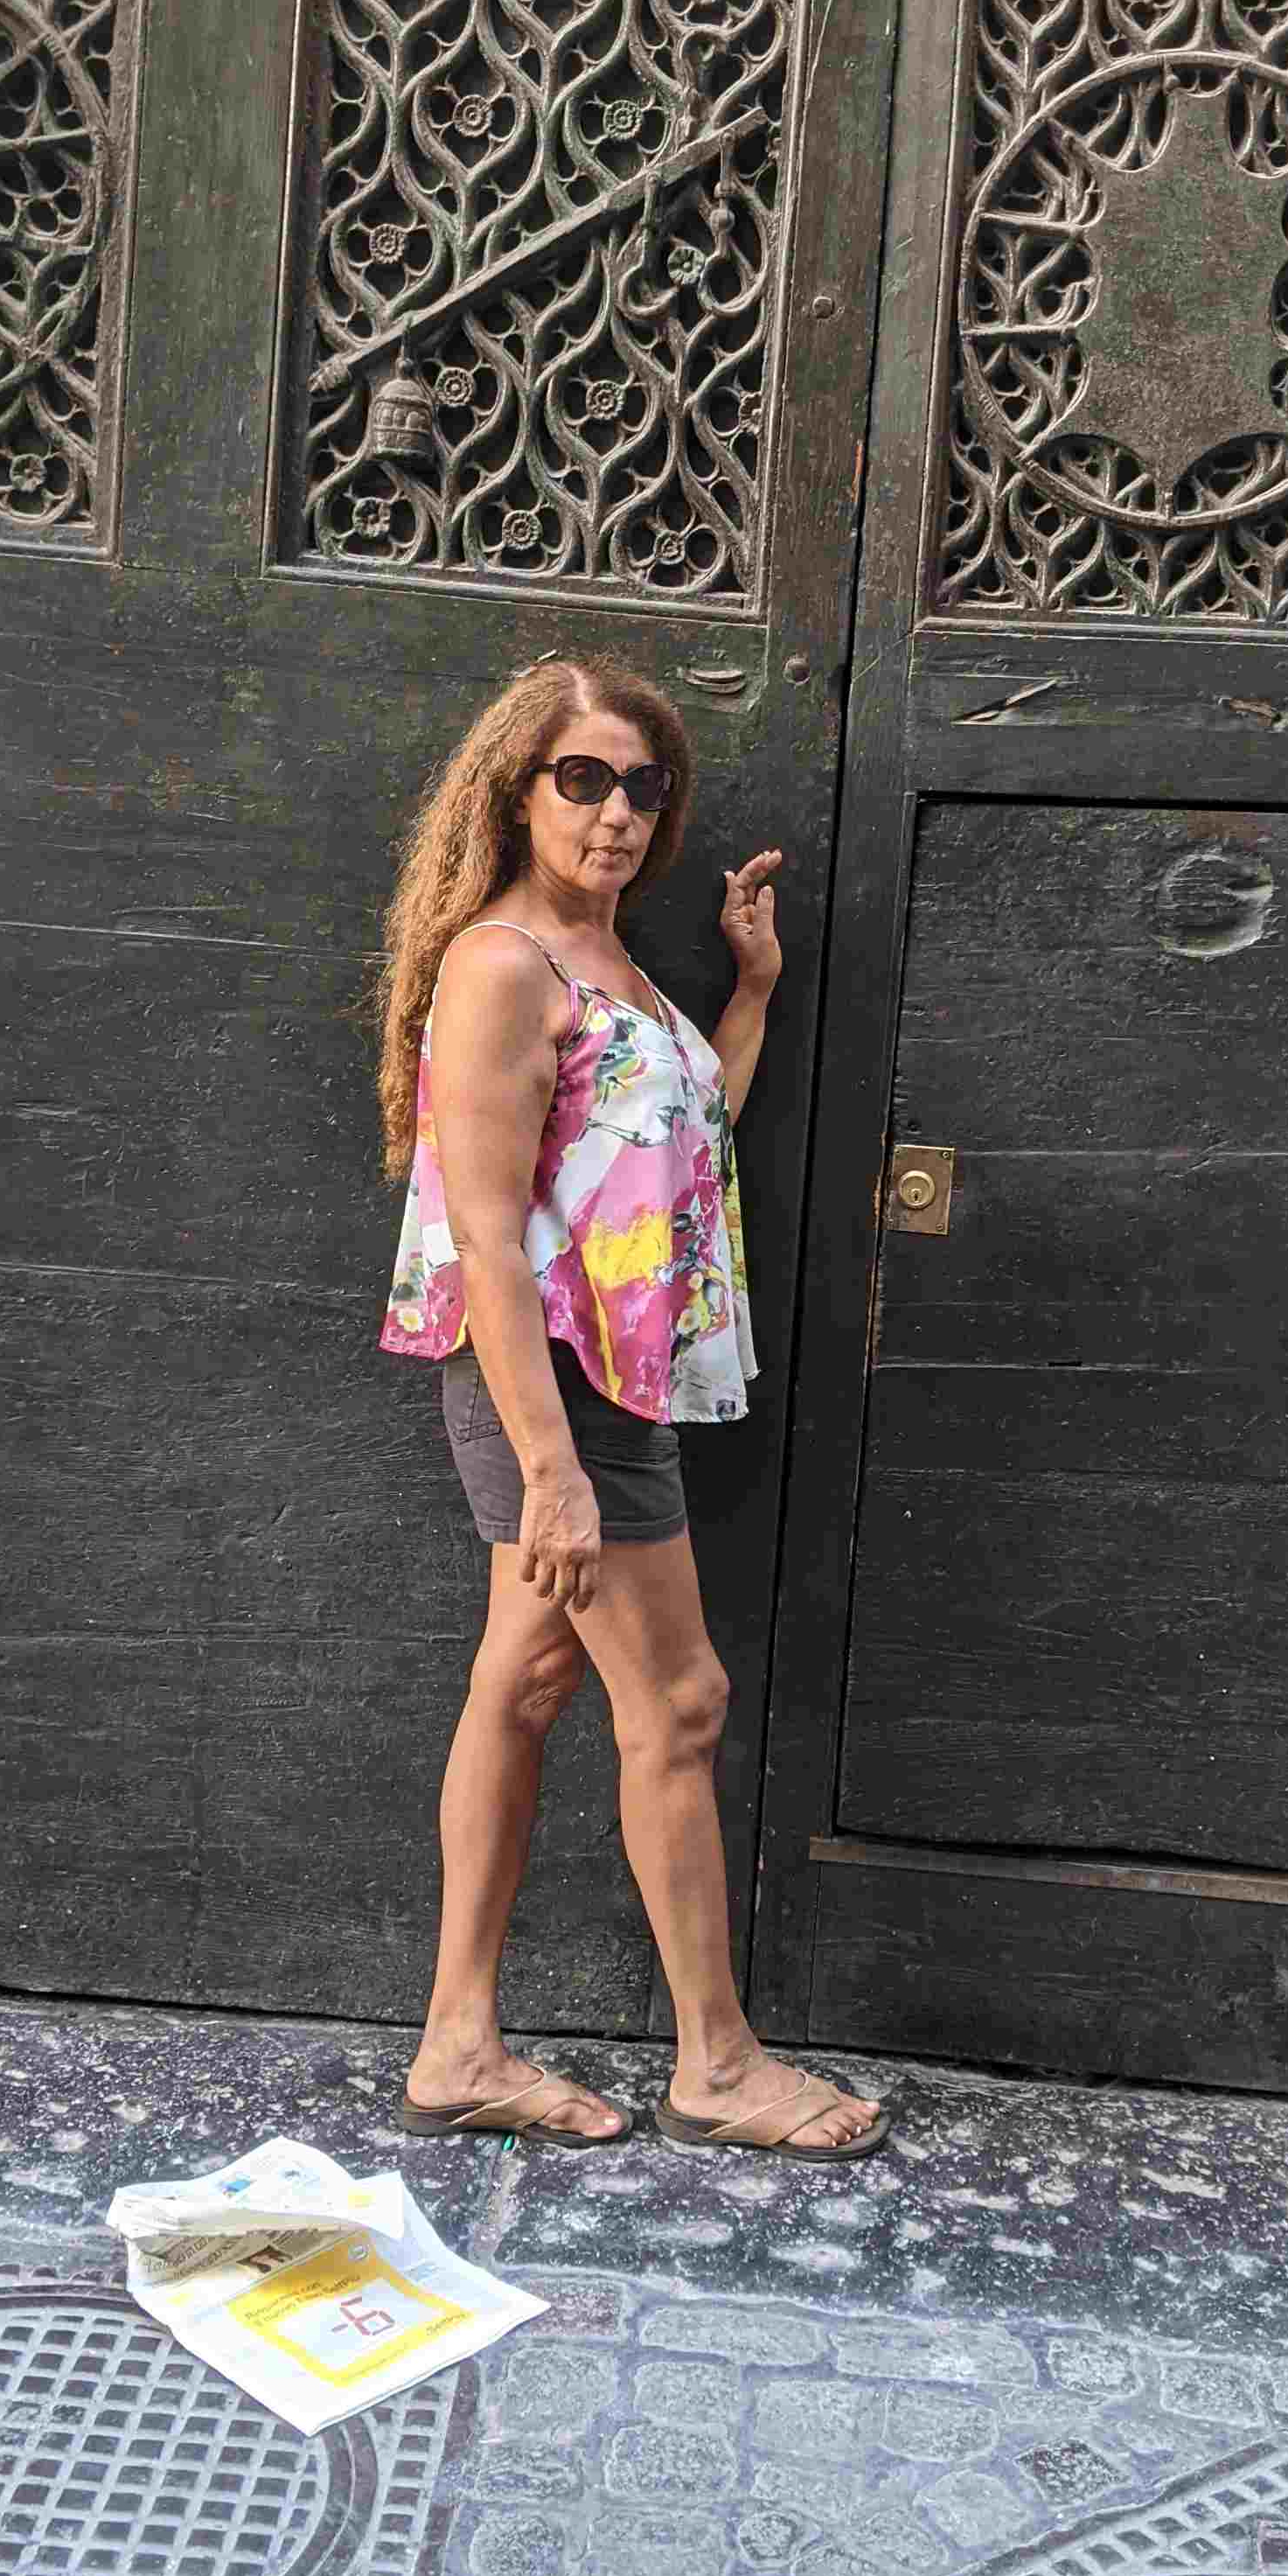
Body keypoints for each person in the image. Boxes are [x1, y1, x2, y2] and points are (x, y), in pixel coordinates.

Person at [375, 654, 888, 2160]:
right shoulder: (503, 964)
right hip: (554, 1380)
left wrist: (752, 990)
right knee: (680, 1701)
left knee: (525, 1681)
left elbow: (686, 1142)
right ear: (516, 792)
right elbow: (485, 1234)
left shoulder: (610, 963)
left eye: (642, 787)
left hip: (608, 1378)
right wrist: (553, 1470)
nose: (615, 812)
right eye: (582, 779)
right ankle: (717, 2066)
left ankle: (457, 2047)